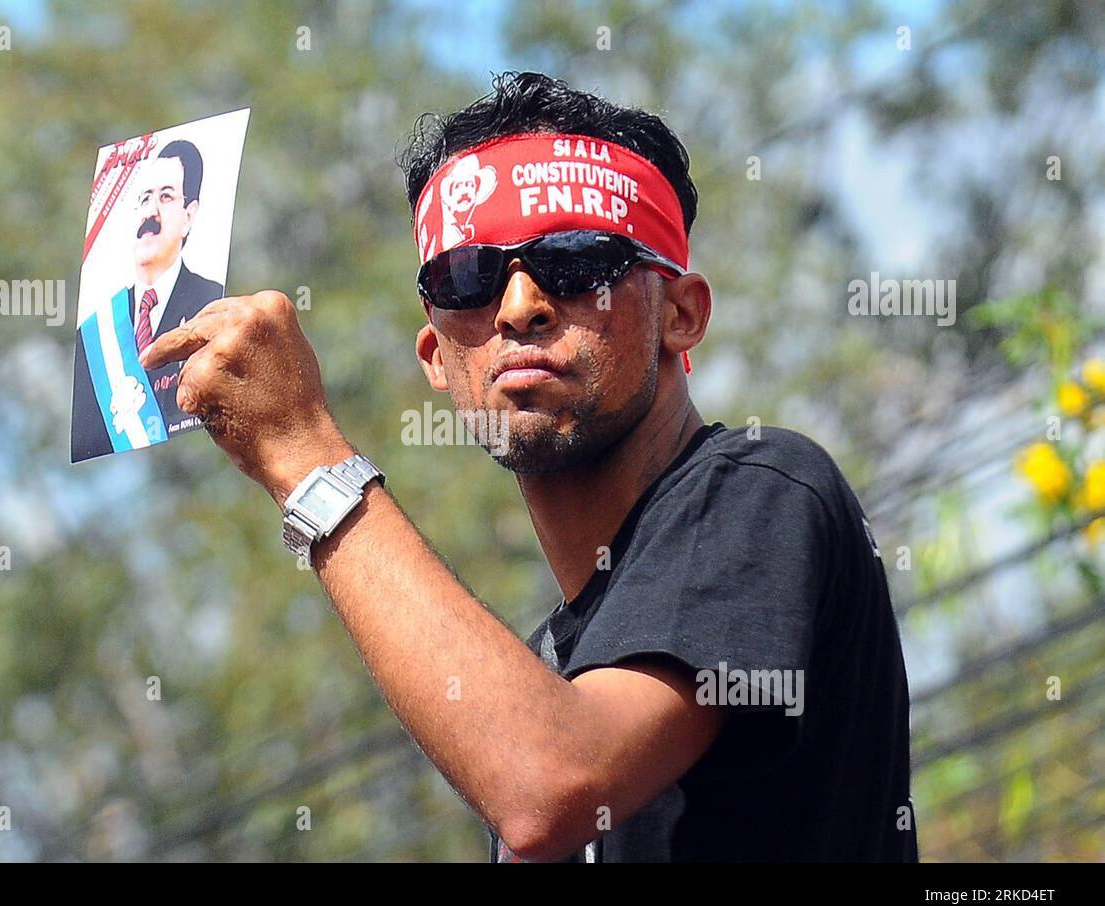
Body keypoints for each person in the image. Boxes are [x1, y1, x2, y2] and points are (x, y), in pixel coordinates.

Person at [139, 71, 919, 862]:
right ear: (437, 359)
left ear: (681, 314)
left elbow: (549, 784)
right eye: (467, 275)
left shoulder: (765, 487)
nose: (518, 306)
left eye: (577, 258)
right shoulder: (547, 674)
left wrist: (307, 455)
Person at [72, 139, 223, 462]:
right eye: (144, 199)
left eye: (166, 197)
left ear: (189, 215)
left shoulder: (215, 306)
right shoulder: (94, 334)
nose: (150, 212)